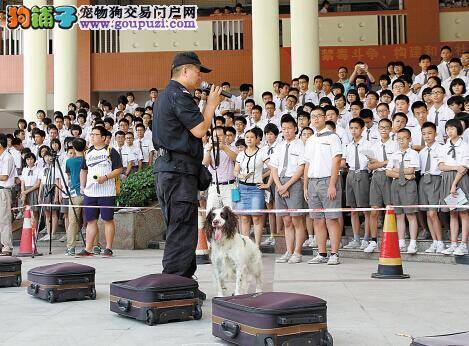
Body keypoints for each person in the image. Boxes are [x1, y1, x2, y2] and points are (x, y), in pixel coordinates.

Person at [153, 51, 222, 281]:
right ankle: (175, 283)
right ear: (185, 71)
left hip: (170, 169)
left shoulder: (166, 95)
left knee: (179, 227)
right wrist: (211, 105)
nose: (201, 76)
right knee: (182, 229)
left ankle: (182, 281)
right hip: (178, 171)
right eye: (198, 70)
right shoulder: (179, 95)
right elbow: (200, 130)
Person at [304, 107, 343, 265]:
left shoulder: (333, 137)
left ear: (325, 117)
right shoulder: (310, 139)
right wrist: (305, 186)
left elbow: (337, 160)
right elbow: (307, 163)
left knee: (331, 219)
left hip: (328, 180)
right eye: (313, 116)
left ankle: (334, 253)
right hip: (312, 182)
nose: (315, 119)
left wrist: (332, 184)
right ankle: (322, 253)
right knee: (317, 220)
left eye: (319, 116)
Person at [76, 126, 123, 257]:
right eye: (91, 134)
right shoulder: (88, 152)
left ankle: (108, 248)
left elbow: (119, 169)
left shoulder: (110, 151)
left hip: (107, 192)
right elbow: (83, 170)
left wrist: (106, 177)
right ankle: (88, 249)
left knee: (108, 219)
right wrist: (82, 186)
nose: (92, 136)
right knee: (91, 220)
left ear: (103, 137)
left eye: (95, 134)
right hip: (90, 192)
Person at [268, 115, 306, 264]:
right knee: (286, 221)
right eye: (284, 129)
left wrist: (287, 185)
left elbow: (301, 167)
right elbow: (273, 167)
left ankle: (297, 252)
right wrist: (279, 186)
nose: (286, 131)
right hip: (279, 184)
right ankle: (288, 251)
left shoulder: (300, 145)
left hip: (294, 183)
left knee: (297, 221)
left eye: (289, 128)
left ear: (295, 129)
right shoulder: (279, 146)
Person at [386, 128, 420, 254]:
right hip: (396, 185)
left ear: (409, 139)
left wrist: (398, 171)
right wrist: (403, 174)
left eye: (404, 138)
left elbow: (412, 170)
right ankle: (401, 242)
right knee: (399, 215)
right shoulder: (394, 154)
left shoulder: (413, 153)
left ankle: (413, 243)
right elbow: (388, 172)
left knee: (410, 214)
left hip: (409, 185)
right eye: (398, 138)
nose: (401, 141)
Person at [233, 129, 268, 247]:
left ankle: (257, 246)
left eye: (252, 137)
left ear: (257, 139)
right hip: (242, 188)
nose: (249, 139)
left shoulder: (262, 152)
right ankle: (246, 246)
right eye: (247, 137)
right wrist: (240, 175)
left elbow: (273, 168)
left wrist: (267, 184)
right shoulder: (241, 154)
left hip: (256, 189)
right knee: (244, 218)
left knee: (256, 218)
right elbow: (235, 171)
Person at [439, 119, 469, 256]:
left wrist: (454, 185)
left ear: (458, 129)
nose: (449, 131)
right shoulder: (444, 147)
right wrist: (455, 167)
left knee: (463, 212)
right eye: (447, 129)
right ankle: (453, 243)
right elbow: (441, 166)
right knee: (453, 212)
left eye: (452, 128)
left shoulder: (465, 146)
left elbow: (463, 168)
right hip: (447, 178)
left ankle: (463, 244)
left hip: (460, 179)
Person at [342, 118, 372, 250]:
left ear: (362, 129)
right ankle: (356, 238)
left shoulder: (368, 144)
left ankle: (366, 237)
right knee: (353, 208)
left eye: (356, 128)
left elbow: (372, 161)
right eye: (351, 128)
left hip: (363, 173)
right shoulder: (348, 145)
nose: (354, 131)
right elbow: (345, 163)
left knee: (365, 208)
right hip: (351, 174)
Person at [418, 122, 445, 254]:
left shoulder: (441, 148)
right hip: (424, 180)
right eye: (424, 134)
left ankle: (440, 242)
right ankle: (434, 242)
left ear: (436, 134)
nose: (427, 136)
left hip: (435, 179)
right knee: (428, 213)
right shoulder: (422, 152)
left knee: (433, 213)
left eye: (429, 133)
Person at [64, 138, 86, 256]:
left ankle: (71, 247)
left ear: (74, 148)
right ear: (85, 147)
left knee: (72, 222)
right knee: (92, 220)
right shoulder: (88, 159)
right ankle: (95, 245)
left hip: (75, 194)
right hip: (88, 193)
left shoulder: (69, 161)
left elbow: (68, 174)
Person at [0, 134, 16, 256]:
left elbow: (4, 176)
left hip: (3, 190)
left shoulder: (7, 157)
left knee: (4, 219)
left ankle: (7, 247)